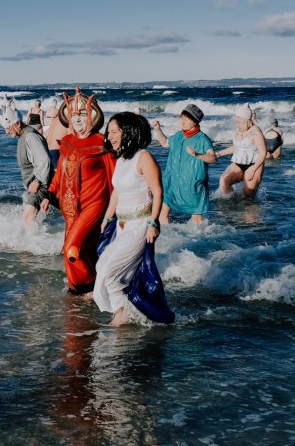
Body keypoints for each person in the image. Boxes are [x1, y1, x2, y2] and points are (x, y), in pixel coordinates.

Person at [41, 88, 114, 293]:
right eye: (73, 115)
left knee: (71, 248)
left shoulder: (102, 143)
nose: (77, 119)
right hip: (70, 205)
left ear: (93, 115)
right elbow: (60, 175)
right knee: (83, 249)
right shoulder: (68, 142)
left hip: (95, 204)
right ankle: (79, 286)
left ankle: (86, 287)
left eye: (82, 114)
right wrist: (49, 194)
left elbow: (115, 176)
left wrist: (117, 209)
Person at [93, 112, 163, 327]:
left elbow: (158, 192)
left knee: (112, 272)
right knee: (102, 267)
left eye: (114, 131)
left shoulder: (144, 157)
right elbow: (117, 191)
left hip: (140, 225)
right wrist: (107, 216)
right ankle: (125, 312)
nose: (109, 136)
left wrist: (153, 223)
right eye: (109, 132)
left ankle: (124, 315)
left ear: (129, 131)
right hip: (122, 225)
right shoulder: (122, 158)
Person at [152, 104, 216, 226]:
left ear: (195, 121)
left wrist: (197, 155)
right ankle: (166, 239)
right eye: (182, 117)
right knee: (162, 214)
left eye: (187, 118)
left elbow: (213, 158)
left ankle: (200, 242)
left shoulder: (203, 139)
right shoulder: (178, 135)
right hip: (172, 183)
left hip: (192, 186)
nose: (183, 121)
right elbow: (165, 143)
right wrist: (157, 129)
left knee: (197, 221)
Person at [2, 97, 54, 227]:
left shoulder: (30, 136)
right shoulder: (23, 136)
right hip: (36, 186)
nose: (6, 131)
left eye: (8, 127)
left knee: (27, 220)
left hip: (41, 185)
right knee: (33, 220)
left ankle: (27, 246)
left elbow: (44, 161)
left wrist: (37, 182)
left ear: (17, 123)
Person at [216, 106, 268, 199]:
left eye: (238, 117)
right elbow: (237, 147)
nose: (236, 119)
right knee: (224, 181)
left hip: (254, 164)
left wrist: (253, 169)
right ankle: (231, 202)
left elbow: (263, 153)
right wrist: (219, 153)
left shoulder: (256, 132)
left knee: (248, 196)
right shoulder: (238, 129)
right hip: (239, 163)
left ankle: (249, 210)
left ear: (245, 119)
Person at [43, 97, 70, 169]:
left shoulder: (56, 119)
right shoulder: (67, 120)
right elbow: (71, 138)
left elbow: (44, 135)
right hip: (56, 152)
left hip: (46, 151)